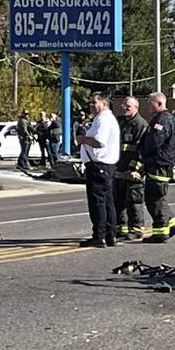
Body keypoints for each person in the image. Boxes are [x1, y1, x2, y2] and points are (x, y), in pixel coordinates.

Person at [133, 92, 175, 243]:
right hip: (159, 163)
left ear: (159, 103)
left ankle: (160, 232)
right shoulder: (164, 119)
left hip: (158, 164)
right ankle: (171, 223)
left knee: (154, 199)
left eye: (150, 103)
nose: (148, 106)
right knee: (159, 197)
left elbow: (154, 142)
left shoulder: (162, 120)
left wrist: (146, 160)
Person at [77, 92, 120, 248]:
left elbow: (99, 142)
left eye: (95, 102)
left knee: (98, 202)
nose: (91, 105)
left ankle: (99, 235)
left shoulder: (104, 119)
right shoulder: (101, 119)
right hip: (103, 166)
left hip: (99, 165)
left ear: (104, 104)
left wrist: (82, 140)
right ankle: (110, 235)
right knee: (107, 201)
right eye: (90, 103)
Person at [115, 97, 148, 241]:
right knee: (118, 200)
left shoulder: (141, 125)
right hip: (118, 168)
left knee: (134, 201)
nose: (124, 108)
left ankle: (136, 229)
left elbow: (143, 150)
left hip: (133, 170)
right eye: (123, 105)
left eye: (128, 106)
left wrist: (134, 169)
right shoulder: (120, 122)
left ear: (136, 107)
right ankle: (120, 228)